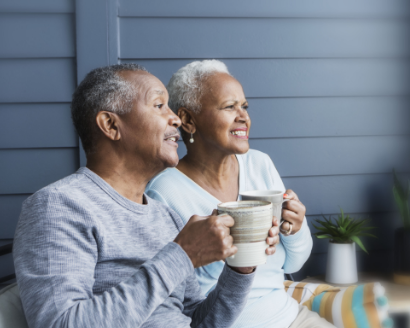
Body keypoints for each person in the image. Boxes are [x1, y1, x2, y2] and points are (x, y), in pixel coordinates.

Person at [13, 64, 281, 328]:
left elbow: (200, 322)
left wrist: (240, 268)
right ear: (110, 125)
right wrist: (183, 254)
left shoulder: (165, 216)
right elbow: (61, 323)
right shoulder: (58, 206)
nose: (175, 118)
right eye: (158, 105)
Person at [146, 60, 332, 327]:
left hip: (290, 318)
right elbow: (173, 300)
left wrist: (294, 228)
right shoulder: (164, 193)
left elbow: (292, 264)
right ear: (187, 120)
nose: (243, 116)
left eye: (244, 106)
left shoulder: (260, 164)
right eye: (229, 107)